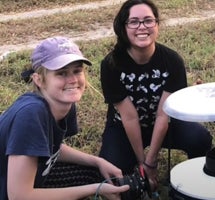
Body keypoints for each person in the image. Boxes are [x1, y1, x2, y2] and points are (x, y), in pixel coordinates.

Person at [98, 0, 212, 192]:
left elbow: (163, 114)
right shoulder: (111, 64)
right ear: (123, 27)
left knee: (200, 138)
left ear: (157, 25)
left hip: (165, 122)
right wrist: (143, 165)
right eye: (133, 21)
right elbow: (129, 116)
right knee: (111, 170)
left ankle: (195, 181)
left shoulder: (172, 61)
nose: (142, 27)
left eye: (148, 20)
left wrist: (151, 163)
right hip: (124, 127)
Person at [0, 36, 129, 200]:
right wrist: (95, 189)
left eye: (77, 70)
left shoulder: (63, 102)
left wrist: (97, 161)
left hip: (30, 182)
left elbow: (52, 147)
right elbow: (19, 196)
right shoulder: (30, 114)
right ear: (39, 80)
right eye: (61, 73)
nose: (73, 80)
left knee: (94, 172)